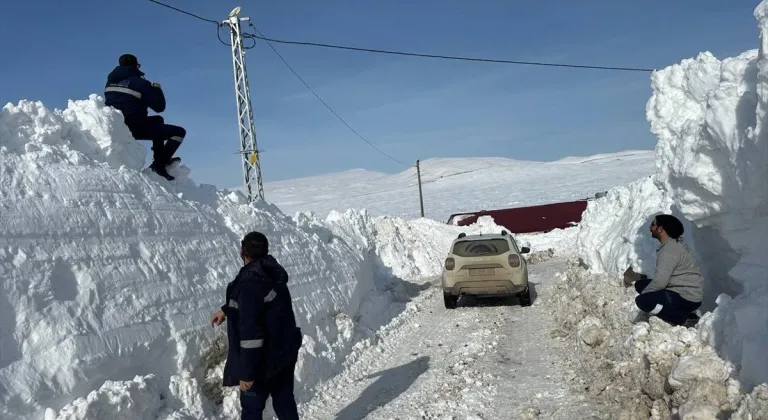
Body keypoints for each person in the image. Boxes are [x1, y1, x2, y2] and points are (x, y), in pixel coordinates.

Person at [210, 232, 303, 420]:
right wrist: (228, 309)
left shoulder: (249, 283)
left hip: (263, 362)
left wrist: (247, 373)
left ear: (242, 252)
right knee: (284, 401)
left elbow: (251, 336)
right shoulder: (271, 272)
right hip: (284, 351)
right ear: (266, 251)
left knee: (252, 411)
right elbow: (261, 306)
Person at [104, 53, 186, 180]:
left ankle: (159, 161)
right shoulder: (140, 83)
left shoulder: (110, 82)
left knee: (158, 120)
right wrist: (157, 89)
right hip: (134, 127)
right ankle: (158, 166)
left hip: (118, 126)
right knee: (179, 133)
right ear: (136, 65)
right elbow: (160, 107)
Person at [623, 214, 703, 327]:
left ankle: (682, 318)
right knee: (640, 285)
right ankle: (672, 308)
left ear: (661, 229)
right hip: (681, 290)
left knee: (643, 302)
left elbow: (660, 282)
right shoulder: (673, 244)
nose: (650, 228)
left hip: (687, 297)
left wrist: (646, 296)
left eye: (653, 225)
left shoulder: (669, 251)